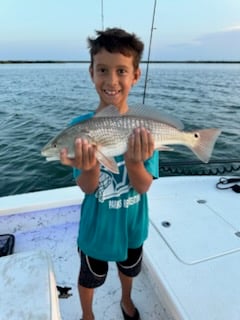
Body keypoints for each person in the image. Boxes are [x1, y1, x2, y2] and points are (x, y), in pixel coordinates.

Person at [60, 27, 159, 320]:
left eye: (121, 71)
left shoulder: (144, 127)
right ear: (91, 72)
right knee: (90, 276)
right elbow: (87, 188)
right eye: (102, 69)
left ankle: (126, 299)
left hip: (132, 224)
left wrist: (134, 162)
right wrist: (89, 165)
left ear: (136, 75)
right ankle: (87, 314)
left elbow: (143, 187)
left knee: (129, 269)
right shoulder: (79, 129)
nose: (111, 80)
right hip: (96, 229)